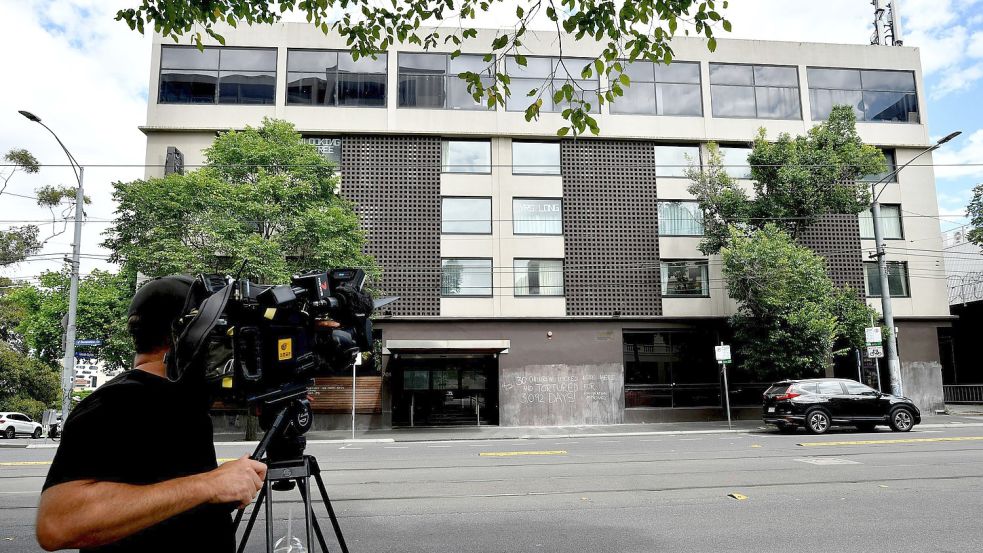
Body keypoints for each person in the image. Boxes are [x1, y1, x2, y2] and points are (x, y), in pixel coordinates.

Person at [36, 276, 267, 552]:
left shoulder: (183, 401)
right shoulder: (116, 403)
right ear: (189, 336)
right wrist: (209, 485)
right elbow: (57, 524)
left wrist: (215, 494)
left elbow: (167, 495)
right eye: (217, 334)